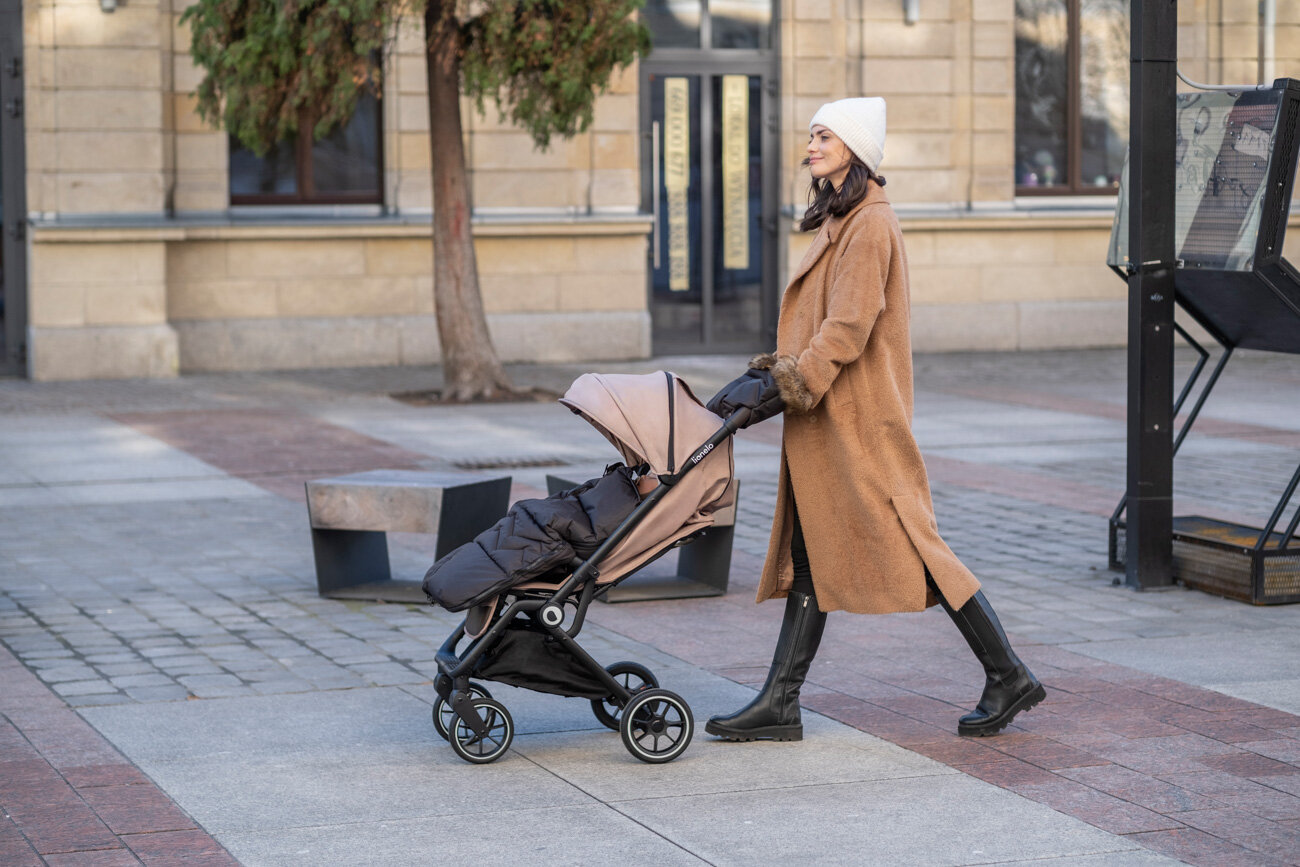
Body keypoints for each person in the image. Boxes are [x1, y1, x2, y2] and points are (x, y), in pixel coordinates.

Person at [705, 97, 1045, 741]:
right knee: (812, 553)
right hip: (830, 419)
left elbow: (849, 324)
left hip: (858, 420)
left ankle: (1008, 674)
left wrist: (794, 380)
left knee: (918, 546)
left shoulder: (870, 224)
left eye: (824, 136)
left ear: (854, 149)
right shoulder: (845, 217)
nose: (810, 145)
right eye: (810, 135)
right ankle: (781, 701)